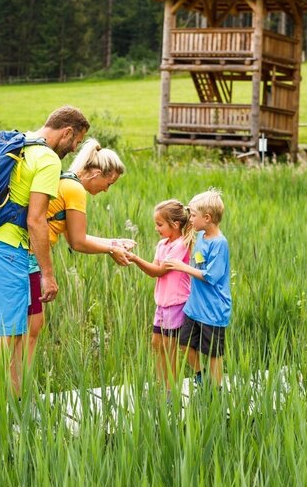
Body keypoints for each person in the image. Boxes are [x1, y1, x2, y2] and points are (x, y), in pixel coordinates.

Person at [0, 105, 88, 407]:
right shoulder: (46, 158)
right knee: (6, 336)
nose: (73, 151)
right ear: (67, 132)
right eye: (75, 143)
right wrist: (47, 274)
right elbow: (36, 220)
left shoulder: (16, 143)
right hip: (6, 251)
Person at [22, 138, 135, 372]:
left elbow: (75, 237)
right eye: (108, 182)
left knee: (19, 329)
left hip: (18, 254)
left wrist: (113, 242)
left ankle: (9, 393)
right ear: (95, 173)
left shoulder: (65, 182)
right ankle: (17, 394)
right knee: (29, 331)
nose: (106, 189)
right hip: (28, 258)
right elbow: (78, 242)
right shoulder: (74, 189)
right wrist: (111, 248)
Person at [125, 200, 194, 395]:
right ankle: (161, 385)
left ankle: (170, 391)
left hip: (176, 303)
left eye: (160, 224)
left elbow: (159, 271)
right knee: (157, 343)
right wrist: (137, 260)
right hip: (162, 303)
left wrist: (136, 259)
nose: (156, 228)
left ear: (175, 224)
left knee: (169, 347)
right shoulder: (163, 244)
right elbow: (153, 270)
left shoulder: (181, 245)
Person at [164, 190, 232, 388]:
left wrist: (182, 267)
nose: (190, 218)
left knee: (213, 353)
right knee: (184, 344)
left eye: (193, 215)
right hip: (195, 307)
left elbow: (211, 276)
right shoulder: (201, 234)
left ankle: (216, 389)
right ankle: (201, 375)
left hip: (213, 310)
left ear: (207, 218)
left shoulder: (220, 244)